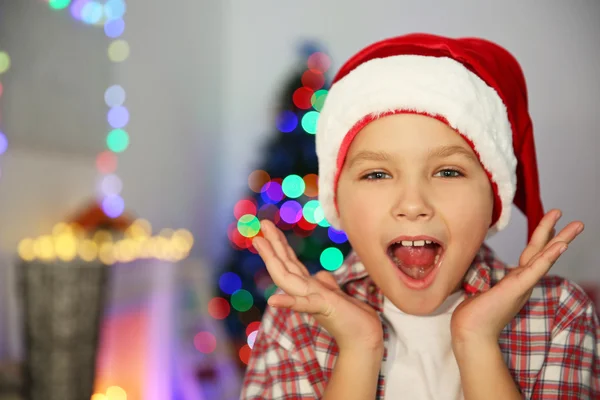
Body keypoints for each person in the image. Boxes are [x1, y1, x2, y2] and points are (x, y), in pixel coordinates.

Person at [240, 33, 600, 400]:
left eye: (447, 172)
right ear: (338, 203)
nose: (413, 205)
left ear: (494, 198)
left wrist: (476, 341)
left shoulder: (558, 314)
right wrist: (358, 348)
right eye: (377, 174)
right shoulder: (294, 323)